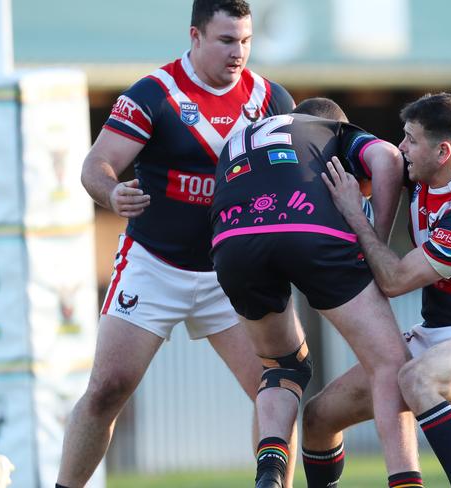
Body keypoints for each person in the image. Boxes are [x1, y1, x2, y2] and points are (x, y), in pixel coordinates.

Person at [55, 1, 297, 487]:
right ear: (196, 36)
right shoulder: (154, 93)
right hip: (154, 263)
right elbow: (95, 165)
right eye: (227, 41)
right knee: (107, 389)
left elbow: (294, 175)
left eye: (246, 41)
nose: (238, 53)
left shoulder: (272, 99)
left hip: (232, 272)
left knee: (276, 392)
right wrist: (112, 192)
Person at [305, 92, 451, 488]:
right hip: (432, 335)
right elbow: (373, 161)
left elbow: (393, 282)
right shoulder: (430, 169)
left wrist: (356, 214)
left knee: (415, 378)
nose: (400, 148)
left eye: (410, 140)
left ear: (442, 151)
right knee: (318, 417)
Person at [210, 97, 422, 488]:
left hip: (232, 240)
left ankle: (271, 471)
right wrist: (374, 243)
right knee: (390, 364)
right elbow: (390, 159)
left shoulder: (241, 136)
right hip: (309, 230)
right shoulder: (332, 131)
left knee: (283, 366)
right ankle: (406, 482)